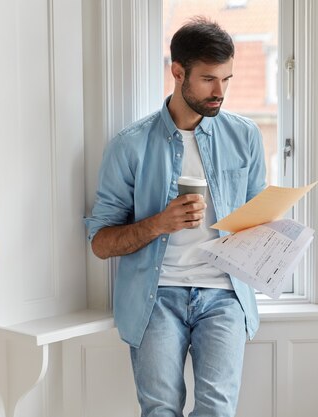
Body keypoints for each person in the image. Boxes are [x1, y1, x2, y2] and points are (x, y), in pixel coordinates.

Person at [85, 16, 267, 417]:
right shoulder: (129, 146)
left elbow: (256, 218)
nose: (220, 92)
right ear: (178, 72)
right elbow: (100, 242)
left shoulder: (245, 136)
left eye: (227, 79)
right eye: (208, 79)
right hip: (157, 296)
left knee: (217, 411)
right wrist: (160, 222)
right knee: (160, 410)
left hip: (224, 294)